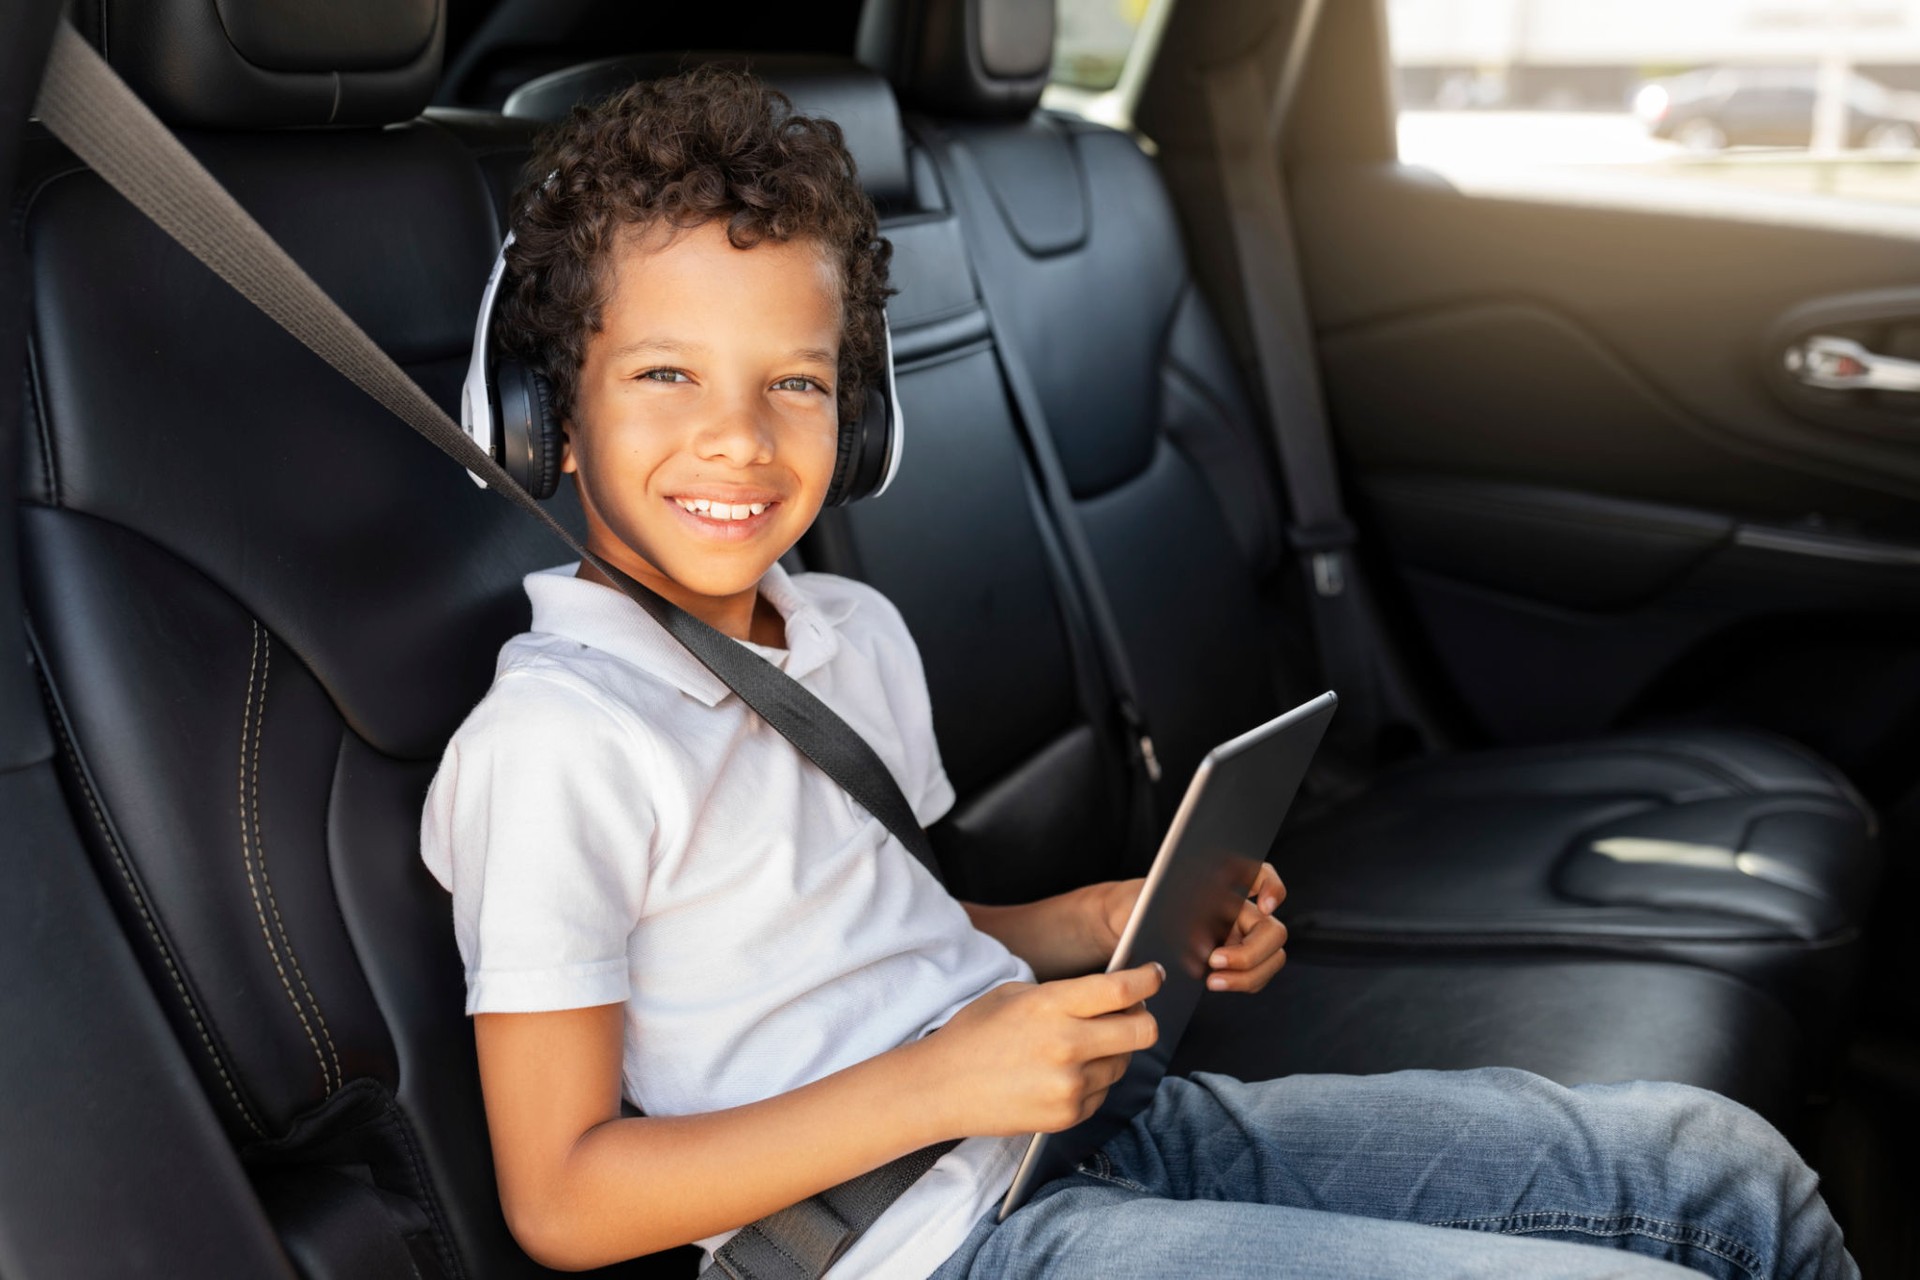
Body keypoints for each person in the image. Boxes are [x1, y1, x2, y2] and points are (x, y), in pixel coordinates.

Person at [419, 68, 1856, 1280]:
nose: (739, 438)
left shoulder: (850, 633)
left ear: (857, 423)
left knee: (1727, 1174)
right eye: (665, 376)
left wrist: (1106, 918)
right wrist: (944, 1082)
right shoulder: (559, 742)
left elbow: (877, 926)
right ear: (546, 406)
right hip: (922, 1249)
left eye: (793, 382)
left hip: (1084, 1124)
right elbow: (565, 1199)